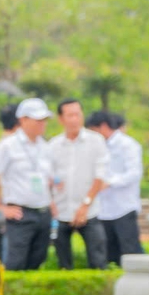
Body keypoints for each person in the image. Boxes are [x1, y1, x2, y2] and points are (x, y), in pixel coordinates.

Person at [0, 97, 54, 270]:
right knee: (15, 263)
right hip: (20, 214)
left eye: (44, 120)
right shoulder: (8, 145)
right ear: (23, 120)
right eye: (38, 120)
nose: (42, 124)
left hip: (43, 213)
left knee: (37, 261)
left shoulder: (44, 146)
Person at [46, 99, 109, 270]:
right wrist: (51, 202)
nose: (74, 119)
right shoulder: (53, 145)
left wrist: (85, 205)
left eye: (77, 114)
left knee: (98, 261)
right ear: (61, 119)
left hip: (89, 211)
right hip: (61, 212)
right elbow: (47, 177)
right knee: (63, 263)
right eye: (70, 115)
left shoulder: (96, 141)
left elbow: (100, 176)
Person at [88, 109, 144, 265]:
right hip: (103, 210)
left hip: (123, 208)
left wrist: (111, 182)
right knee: (108, 253)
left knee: (130, 251)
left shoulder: (128, 145)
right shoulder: (98, 146)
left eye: (93, 131)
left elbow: (134, 173)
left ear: (103, 127)